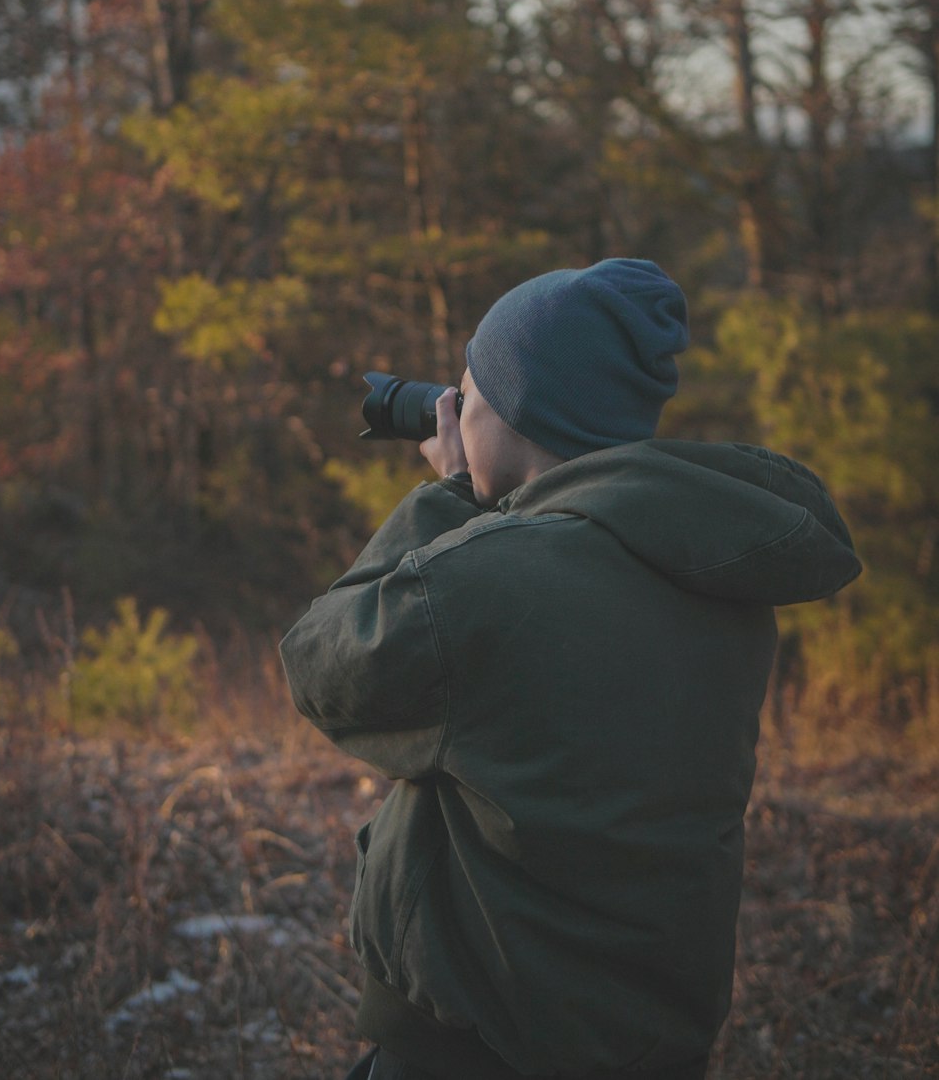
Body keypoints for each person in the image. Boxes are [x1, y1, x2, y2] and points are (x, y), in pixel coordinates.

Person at [280, 259, 862, 1080]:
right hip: (650, 1041)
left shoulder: (488, 584)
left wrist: (449, 492)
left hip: (483, 1047)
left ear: (518, 414)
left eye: (470, 391)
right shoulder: (714, 568)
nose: (458, 408)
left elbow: (320, 664)